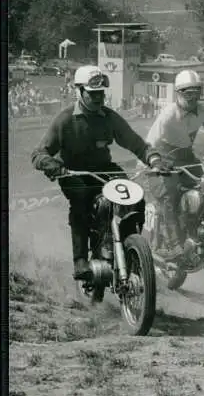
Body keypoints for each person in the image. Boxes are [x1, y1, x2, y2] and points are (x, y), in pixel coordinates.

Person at [31, 65, 165, 281]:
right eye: (93, 94)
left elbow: (136, 143)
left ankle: (131, 247)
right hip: (72, 172)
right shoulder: (65, 120)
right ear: (79, 91)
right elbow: (39, 153)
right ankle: (81, 260)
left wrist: (154, 159)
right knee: (81, 201)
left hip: (104, 169)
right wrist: (52, 165)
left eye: (101, 93)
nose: (98, 98)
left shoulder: (109, 117)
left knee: (135, 196)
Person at [144, 69, 204, 261]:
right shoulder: (168, 115)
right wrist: (153, 163)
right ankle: (173, 246)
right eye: (188, 93)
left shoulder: (203, 111)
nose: (193, 98)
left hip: (187, 158)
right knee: (168, 195)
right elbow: (149, 143)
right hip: (164, 160)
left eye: (196, 92)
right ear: (178, 93)